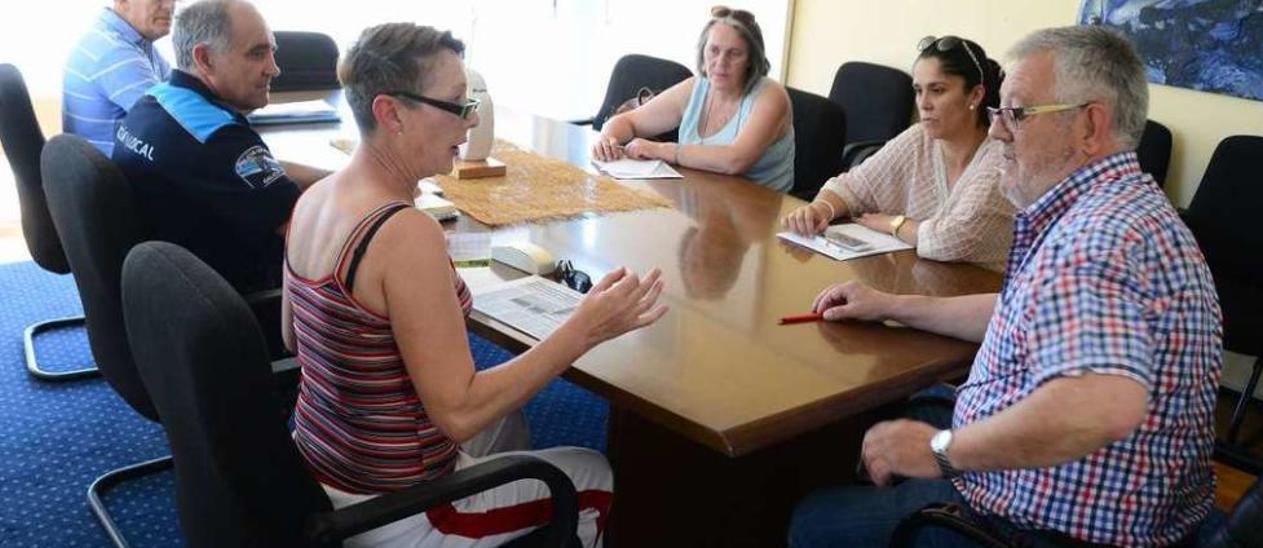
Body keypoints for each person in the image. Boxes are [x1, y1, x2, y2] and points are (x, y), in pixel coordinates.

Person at [788, 26, 1221, 547]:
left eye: (1016, 113)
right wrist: (892, 304)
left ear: (1090, 126)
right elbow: (1018, 310)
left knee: (812, 519)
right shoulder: (1124, 207)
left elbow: (1103, 403)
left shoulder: (1098, 240)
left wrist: (941, 450)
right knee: (897, 407)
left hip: (1042, 524)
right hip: (1115, 500)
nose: (996, 132)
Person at [283, 23, 667, 548]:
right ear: (390, 112)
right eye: (457, 105)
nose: (472, 121)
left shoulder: (315, 197)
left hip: (321, 464)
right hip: (396, 508)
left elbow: (291, 338)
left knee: (508, 421)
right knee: (596, 474)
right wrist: (585, 328)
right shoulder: (402, 231)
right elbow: (459, 413)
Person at [113, 0, 329, 293]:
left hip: (165, 292)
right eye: (257, 54)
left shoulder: (154, 102)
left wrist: (336, 179)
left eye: (271, 51)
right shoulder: (220, 140)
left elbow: (261, 171)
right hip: (237, 302)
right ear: (205, 59)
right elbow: (306, 234)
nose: (274, 69)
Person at [783, 35, 1015, 271]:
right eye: (918, 90)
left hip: (983, 294)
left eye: (937, 90)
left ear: (975, 95)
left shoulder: (1002, 156)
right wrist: (820, 210)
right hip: (925, 286)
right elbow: (851, 187)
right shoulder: (919, 138)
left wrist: (894, 223)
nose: (923, 104)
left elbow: (951, 241)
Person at [591, 6, 795, 192]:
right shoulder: (696, 87)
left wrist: (661, 149)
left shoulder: (771, 96)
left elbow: (735, 160)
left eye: (734, 54)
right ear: (703, 52)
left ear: (751, 60)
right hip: (702, 199)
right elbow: (627, 121)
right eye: (714, 50)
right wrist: (607, 140)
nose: (721, 63)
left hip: (760, 213)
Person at [63, 0, 176, 156]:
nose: (169, 6)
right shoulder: (114, 52)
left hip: (116, 171)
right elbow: (175, 126)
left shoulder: (132, 42)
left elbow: (180, 96)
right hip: (116, 177)